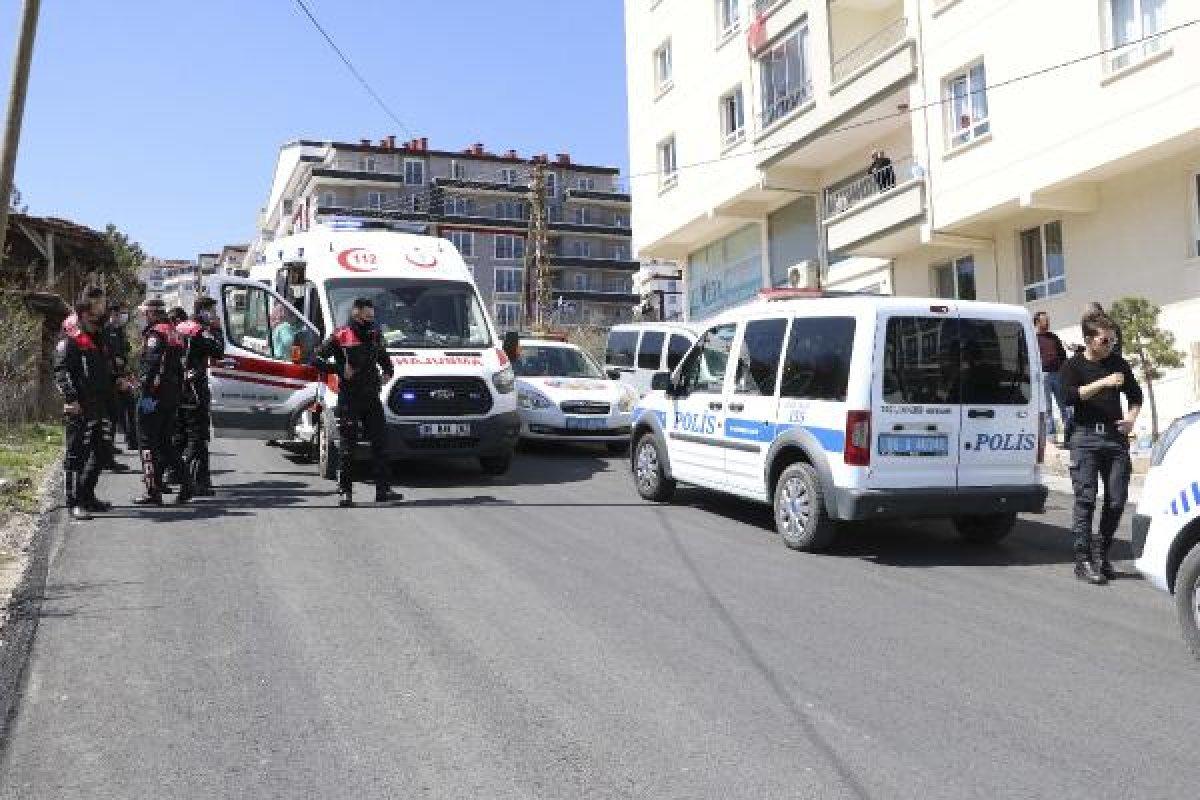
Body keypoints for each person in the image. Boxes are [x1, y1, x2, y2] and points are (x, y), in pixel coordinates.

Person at [1060, 311, 1142, 585]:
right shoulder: (1073, 366)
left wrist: (1130, 420)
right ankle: (1082, 560)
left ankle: (1101, 553)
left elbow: (1135, 396)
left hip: (1115, 438)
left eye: (1112, 340)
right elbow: (1070, 396)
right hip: (1085, 438)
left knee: (1117, 499)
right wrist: (1103, 382)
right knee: (1085, 499)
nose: (1110, 345)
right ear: (1089, 340)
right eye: (1105, 341)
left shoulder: (1118, 363)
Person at [313, 297, 401, 507]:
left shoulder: (375, 334)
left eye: (372, 316)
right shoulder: (340, 335)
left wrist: (387, 374)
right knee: (348, 447)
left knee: (381, 444)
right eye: (367, 316)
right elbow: (316, 359)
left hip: (371, 397)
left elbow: (386, 362)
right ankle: (345, 492)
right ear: (356, 314)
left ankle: (383, 490)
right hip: (349, 399)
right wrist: (339, 370)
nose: (371, 320)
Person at [53, 294, 116, 521]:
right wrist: (71, 399)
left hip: (101, 402)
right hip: (79, 404)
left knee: (102, 450)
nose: (102, 310)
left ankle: (87, 494)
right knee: (75, 454)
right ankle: (74, 502)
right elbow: (61, 371)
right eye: (98, 306)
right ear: (85, 312)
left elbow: (106, 366)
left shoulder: (99, 335)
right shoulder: (71, 335)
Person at [134, 297, 194, 506]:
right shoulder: (175, 333)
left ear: (152, 313)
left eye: (145, 313)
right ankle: (186, 483)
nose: (144, 317)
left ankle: (153, 491)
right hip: (171, 396)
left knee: (146, 442)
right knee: (164, 443)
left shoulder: (156, 335)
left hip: (153, 396)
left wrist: (141, 388)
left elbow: (151, 366)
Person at [176, 296, 225, 496]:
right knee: (197, 436)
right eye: (211, 311)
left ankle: (201, 480)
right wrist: (217, 329)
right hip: (194, 391)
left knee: (182, 435)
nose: (214, 315)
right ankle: (187, 478)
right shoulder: (199, 331)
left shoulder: (179, 328)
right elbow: (218, 351)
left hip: (178, 390)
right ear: (202, 311)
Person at [1034, 311, 1068, 441]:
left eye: (1048, 320)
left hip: (1058, 375)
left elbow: (1063, 355)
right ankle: (1051, 437)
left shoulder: (1053, 337)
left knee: (1064, 405)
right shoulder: (1033, 338)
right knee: (1047, 408)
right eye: (1045, 320)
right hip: (1043, 376)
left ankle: (1069, 434)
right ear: (1037, 322)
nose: (1047, 323)